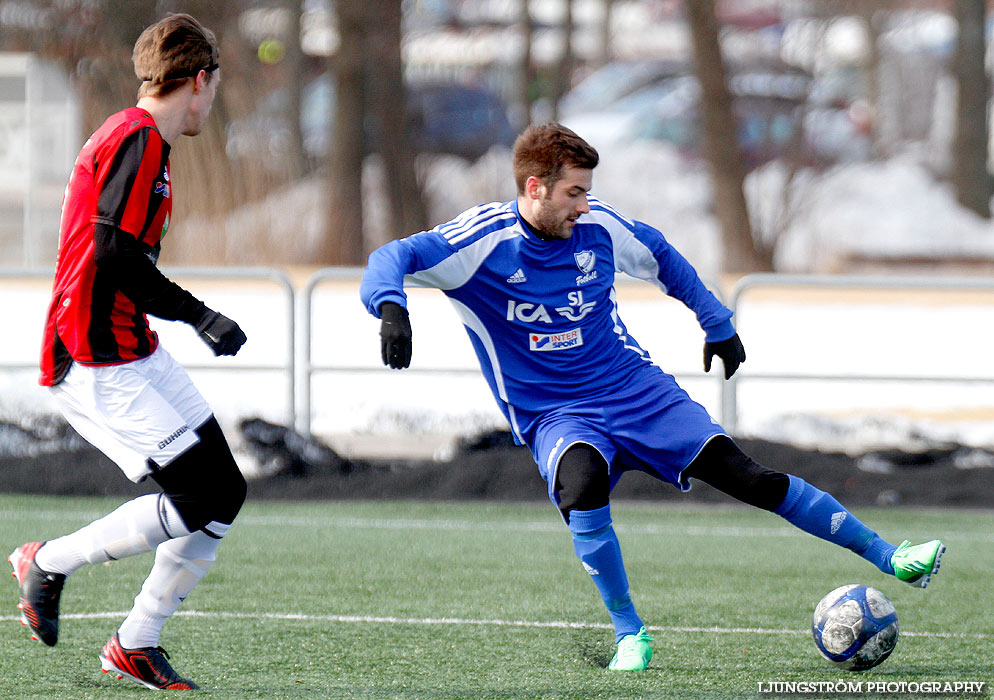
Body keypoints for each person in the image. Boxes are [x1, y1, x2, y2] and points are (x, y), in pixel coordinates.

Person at [360, 123, 945, 672]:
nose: (584, 204)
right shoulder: (480, 243)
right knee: (582, 486)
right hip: (554, 413)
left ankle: (893, 557)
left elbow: (663, 257)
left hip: (635, 390)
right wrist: (392, 305)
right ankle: (629, 633)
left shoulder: (598, 229)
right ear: (534, 187)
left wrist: (716, 321)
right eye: (573, 192)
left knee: (748, 477)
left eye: (588, 192)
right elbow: (393, 257)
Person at [9, 14, 247, 691]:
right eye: (215, 85)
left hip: (127, 342)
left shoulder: (141, 139)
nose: (213, 98)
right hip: (92, 352)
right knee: (199, 493)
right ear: (199, 81)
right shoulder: (138, 138)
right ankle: (47, 561)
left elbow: (116, 252)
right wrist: (201, 315)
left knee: (223, 491)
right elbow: (113, 255)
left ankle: (136, 642)